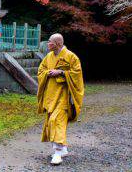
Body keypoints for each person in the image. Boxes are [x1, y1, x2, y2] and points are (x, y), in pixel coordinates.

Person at [37, 33, 84, 165]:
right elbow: (41, 71)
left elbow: (77, 74)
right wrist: (48, 73)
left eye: (50, 42)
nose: (48, 44)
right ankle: (62, 148)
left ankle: (57, 153)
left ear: (57, 43)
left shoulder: (71, 57)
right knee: (51, 121)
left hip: (64, 96)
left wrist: (62, 73)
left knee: (56, 121)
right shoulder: (48, 56)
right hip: (51, 95)